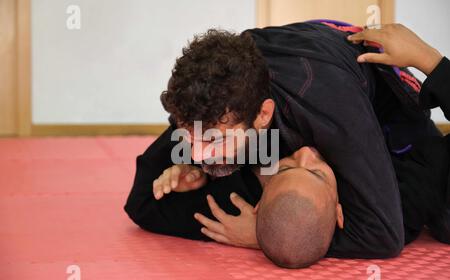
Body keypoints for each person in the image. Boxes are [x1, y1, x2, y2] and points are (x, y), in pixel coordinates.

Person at [124, 22, 431, 258]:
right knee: (196, 188)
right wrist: (188, 167)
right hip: (271, 128)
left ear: (262, 115)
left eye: (213, 141)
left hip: (387, 126)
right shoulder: (212, 102)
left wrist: (263, 235)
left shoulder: (329, 106)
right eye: (188, 135)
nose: (199, 154)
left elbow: (382, 236)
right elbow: (141, 202)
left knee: (430, 212)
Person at [254, 25, 450, 268]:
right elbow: (381, 236)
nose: (305, 153)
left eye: (284, 169)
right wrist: (428, 59)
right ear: (340, 214)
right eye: (316, 173)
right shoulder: (404, 202)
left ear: (259, 203)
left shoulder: (275, 190)